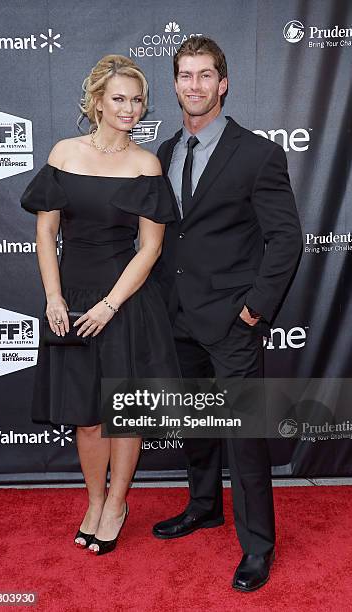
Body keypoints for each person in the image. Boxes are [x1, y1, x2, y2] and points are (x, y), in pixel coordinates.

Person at [152, 36, 303, 591]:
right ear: (175, 84)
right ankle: (203, 506)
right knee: (196, 424)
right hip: (176, 314)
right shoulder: (164, 153)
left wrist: (254, 310)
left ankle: (257, 547)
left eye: (204, 74)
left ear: (224, 82)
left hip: (234, 321)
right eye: (184, 75)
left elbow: (286, 239)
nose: (193, 85)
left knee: (244, 437)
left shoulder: (258, 153)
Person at [20, 55, 180, 556]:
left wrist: (110, 305)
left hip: (125, 301)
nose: (129, 109)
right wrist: (53, 296)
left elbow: (150, 248)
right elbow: (46, 234)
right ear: (96, 103)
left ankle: (116, 503)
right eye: (119, 99)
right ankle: (93, 501)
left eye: (137, 100)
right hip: (71, 297)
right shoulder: (64, 154)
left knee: (123, 413)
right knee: (86, 415)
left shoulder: (146, 164)